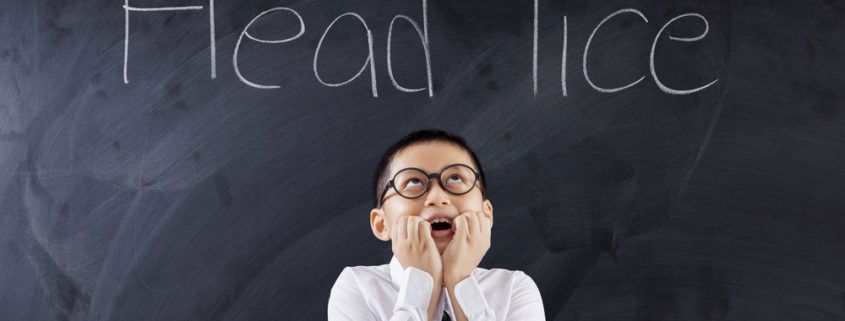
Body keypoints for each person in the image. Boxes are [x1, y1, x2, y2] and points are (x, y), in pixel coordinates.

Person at [328, 129, 545, 321]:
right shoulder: (357, 286)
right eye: (413, 182)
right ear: (381, 224)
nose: (437, 197)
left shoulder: (514, 288)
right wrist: (422, 280)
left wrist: (459, 278)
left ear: (486, 215)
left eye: (455, 178)